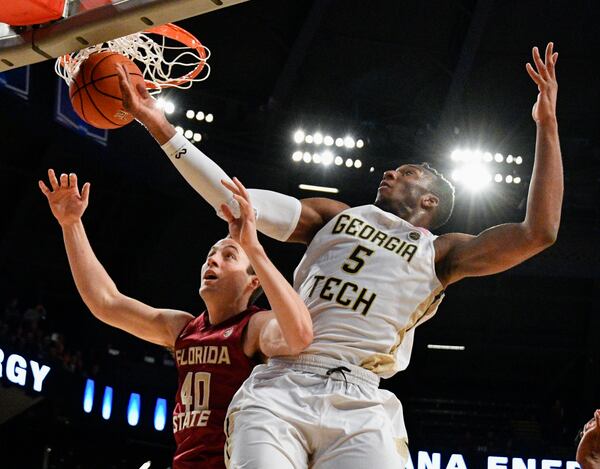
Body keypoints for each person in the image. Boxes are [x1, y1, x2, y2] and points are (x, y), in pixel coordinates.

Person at [117, 41, 562, 468]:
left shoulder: (443, 252)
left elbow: (538, 232)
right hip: (282, 382)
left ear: (430, 202)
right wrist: (158, 125)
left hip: (361, 397)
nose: (390, 171)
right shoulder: (331, 216)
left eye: (406, 173)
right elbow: (233, 200)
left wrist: (546, 125)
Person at [38, 170, 313, 469]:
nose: (212, 259)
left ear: (253, 282)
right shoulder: (183, 327)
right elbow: (106, 302)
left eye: (229, 255)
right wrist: (71, 224)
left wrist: (254, 249)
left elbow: (297, 335)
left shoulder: (255, 327)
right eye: (211, 253)